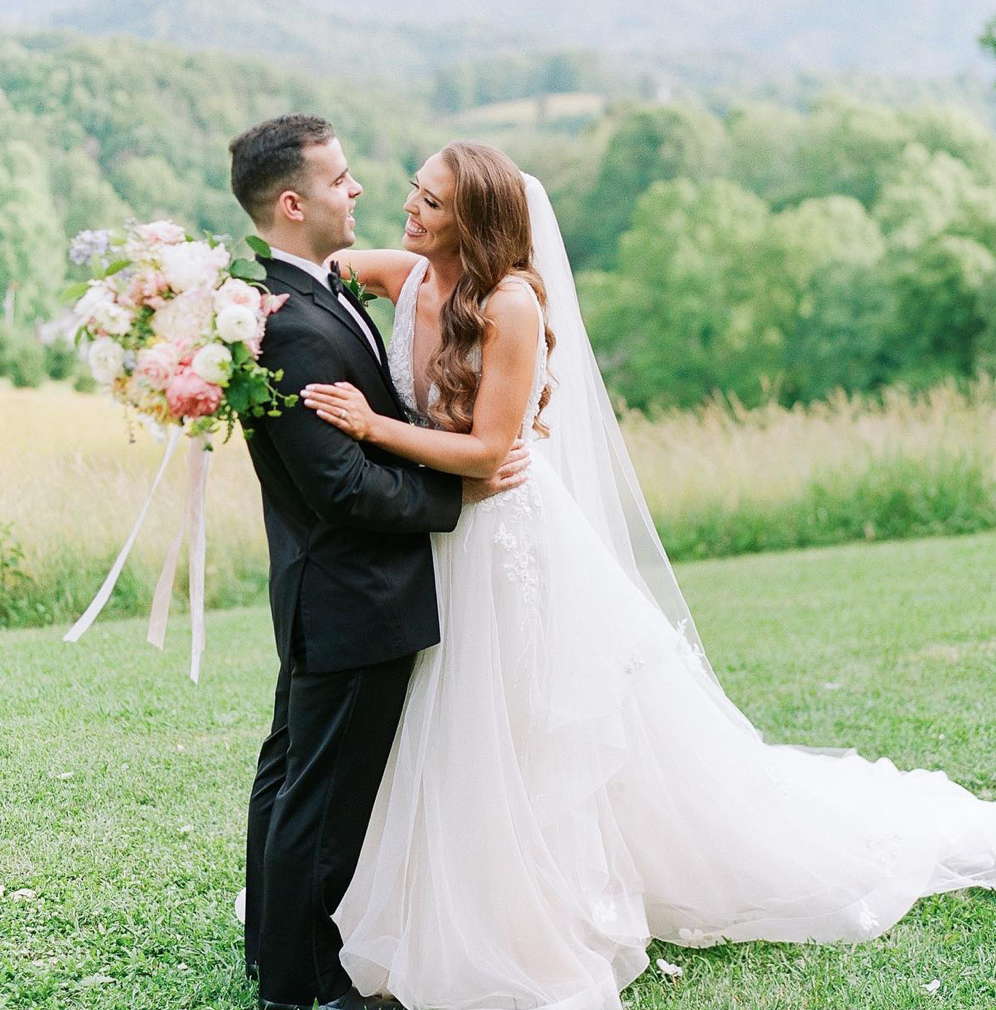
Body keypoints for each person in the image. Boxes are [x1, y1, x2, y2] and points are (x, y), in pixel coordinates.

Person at [296, 141, 996, 1010]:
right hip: (437, 537)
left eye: (430, 204)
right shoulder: (409, 277)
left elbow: (489, 452)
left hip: (505, 540)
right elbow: (317, 267)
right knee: (442, 724)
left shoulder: (510, 304)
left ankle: (527, 902)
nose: (410, 210)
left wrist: (372, 427)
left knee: (517, 726)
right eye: (413, 192)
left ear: (473, 221)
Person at [227, 116, 529, 1010]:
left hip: (332, 590)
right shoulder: (295, 329)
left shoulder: (306, 292)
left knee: (291, 778)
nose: (367, 191)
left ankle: (273, 955)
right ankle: (305, 985)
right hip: (354, 592)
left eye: (421, 194)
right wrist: (455, 500)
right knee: (317, 802)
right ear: (294, 203)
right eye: (344, 179)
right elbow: (344, 489)